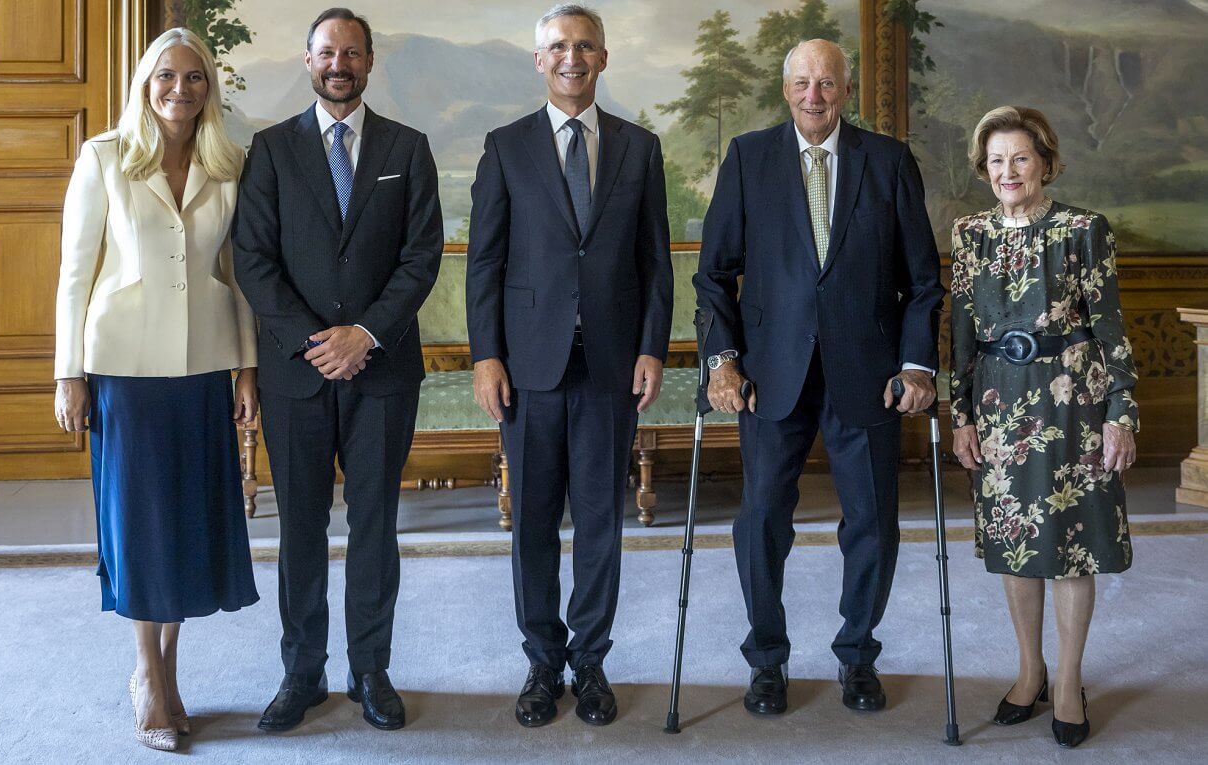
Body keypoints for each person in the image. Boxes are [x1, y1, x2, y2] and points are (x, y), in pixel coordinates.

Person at [694, 38, 944, 716]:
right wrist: (722, 361)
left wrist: (918, 364)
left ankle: (858, 655)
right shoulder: (749, 159)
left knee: (872, 522)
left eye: (827, 83)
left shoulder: (888, 162)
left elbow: (923, 281)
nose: (815, 95)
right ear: (786, 89)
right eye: (803, 82)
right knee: (762, 522)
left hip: (870, 375)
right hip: (770, 376)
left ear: (847, 88)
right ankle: (766, 661)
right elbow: (713, 274)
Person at [232, 7, 443, 733]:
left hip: (382, 370)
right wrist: (317, 341)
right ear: (308, 59)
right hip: (297, 373)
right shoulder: (270, 150)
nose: (339, 63)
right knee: (301, 529)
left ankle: (371, 670)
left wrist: (365, 334)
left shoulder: (408, 149)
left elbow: (422, 257)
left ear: (369, 61)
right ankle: (302, 673)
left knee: (376, 526)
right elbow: (252, 260)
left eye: (351, 52)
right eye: (327, 52)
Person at [53, 27, 259, 752]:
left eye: (195, 77)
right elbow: (75, 271)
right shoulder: (104, 157)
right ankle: (147, 673)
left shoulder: (230, 164)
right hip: (124, 369)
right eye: (166, 76)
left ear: (210, 87)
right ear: (146, 84)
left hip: (202, 366)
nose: (181, 89)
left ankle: (168, 670)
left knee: (186, 522)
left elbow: (237, 277)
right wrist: (67, 371)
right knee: (140, 527)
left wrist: (246, 368)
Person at [466, 2, 672, 728]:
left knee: (599, 522)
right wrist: (487, 355)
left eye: (585, 46)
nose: (572, 58)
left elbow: (655, 261)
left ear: (603, 58)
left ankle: (591, 660)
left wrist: (652, 346)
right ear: (539, 60)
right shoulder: (506, 145)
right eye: (558, 46)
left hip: (611, 364)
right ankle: (542, 661)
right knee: (531, 524)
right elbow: (484, 262)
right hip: (527, 369)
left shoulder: (639, 148)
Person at [948, 105, 1137, 749]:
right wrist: (962, 415)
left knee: (1070, 543)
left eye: (1020, 158)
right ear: (984, 169)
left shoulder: (1084, 229)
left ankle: (1068, 683)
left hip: (1072, 403)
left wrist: (1121, 413)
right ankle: (1030, 672)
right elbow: (962, 336)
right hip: (1001, 403)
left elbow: (1110, 327)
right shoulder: (969, 233)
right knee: (1017, 543)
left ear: (1046, 162)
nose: (1007, 171)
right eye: (996, 160)